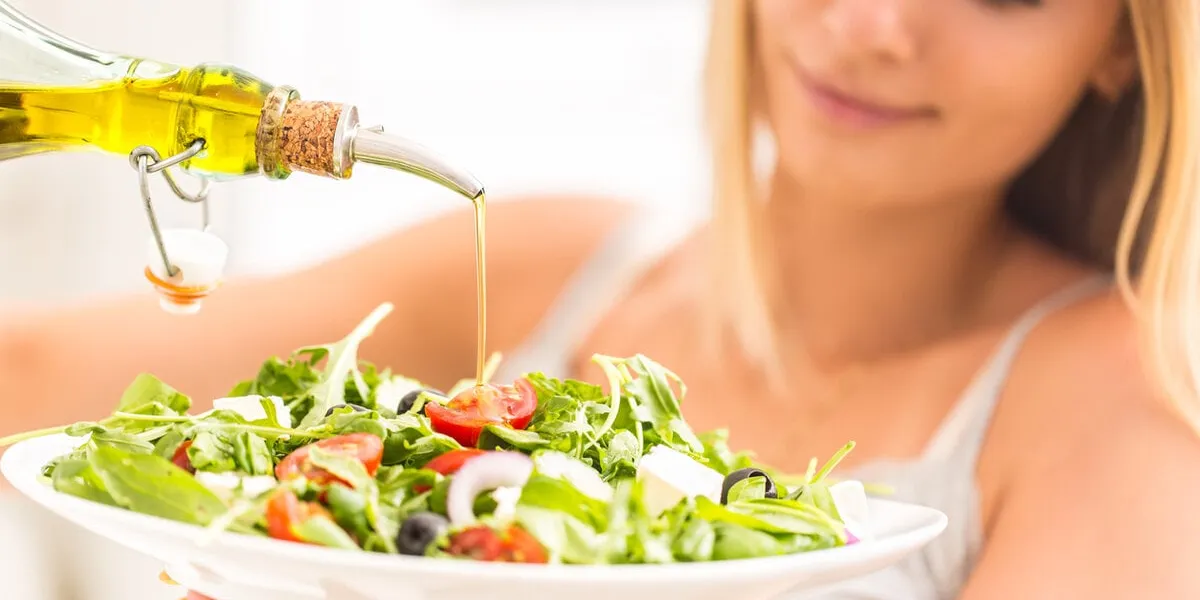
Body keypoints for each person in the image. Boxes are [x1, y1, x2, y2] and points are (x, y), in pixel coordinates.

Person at [5, 0, 1200, 598]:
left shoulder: (1117, 414)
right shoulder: (550, 262)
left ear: (1118, 44)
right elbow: (33, 382)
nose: (873, 26)